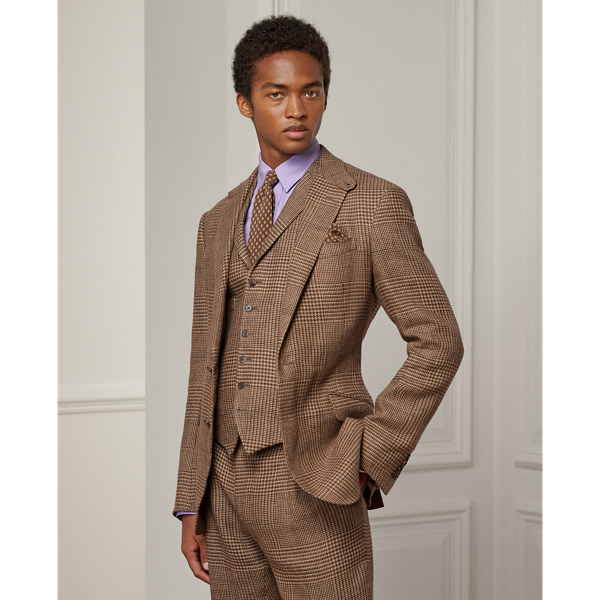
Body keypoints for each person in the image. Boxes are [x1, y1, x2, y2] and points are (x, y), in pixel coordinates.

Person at [174, 14, 463, 600]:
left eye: (311, 92)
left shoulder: (372, 203)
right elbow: (205, 365)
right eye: (276, 94)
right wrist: (190, 499)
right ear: (245, 103)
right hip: (224, 490)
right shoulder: (217, 221)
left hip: (317, 482)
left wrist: (368, 455)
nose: (297, 110)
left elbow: (439, 341)